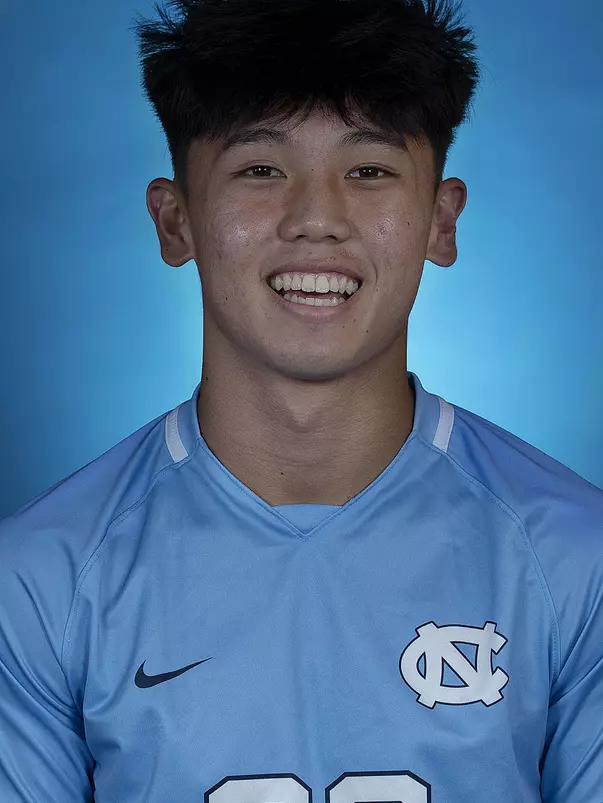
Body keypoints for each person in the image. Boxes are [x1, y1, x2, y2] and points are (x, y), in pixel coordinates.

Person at [1, 0, 601, 800]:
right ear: (173, 219)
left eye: (369, 171)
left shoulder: (577, 560)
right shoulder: (41, 579)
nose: (316, 220)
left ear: (441, 220)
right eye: (259, 169)